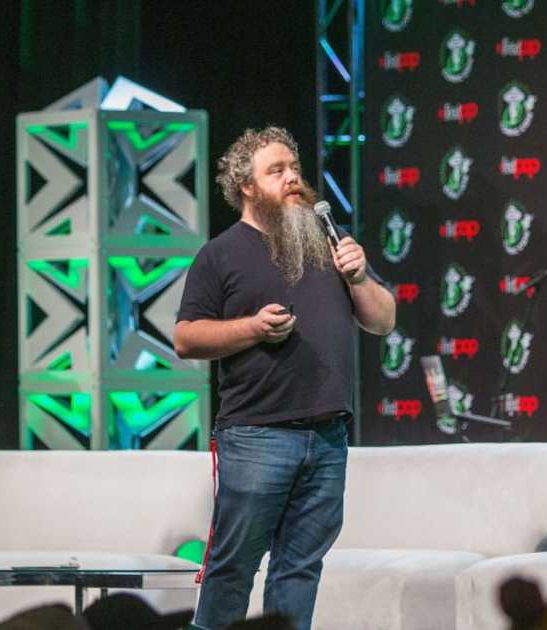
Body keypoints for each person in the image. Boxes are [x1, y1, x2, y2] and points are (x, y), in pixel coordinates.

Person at [174, 126, 395, 630]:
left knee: (300, 570)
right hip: (257, 435)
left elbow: (383, 320)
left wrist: (359, 277)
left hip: (328, 436)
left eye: (294, 168)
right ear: (246, 186)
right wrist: (253, 328)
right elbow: (186, 338)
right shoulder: (221, 254)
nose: (293, 178)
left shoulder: (330, 242)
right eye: (277, 171)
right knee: (233, 569)